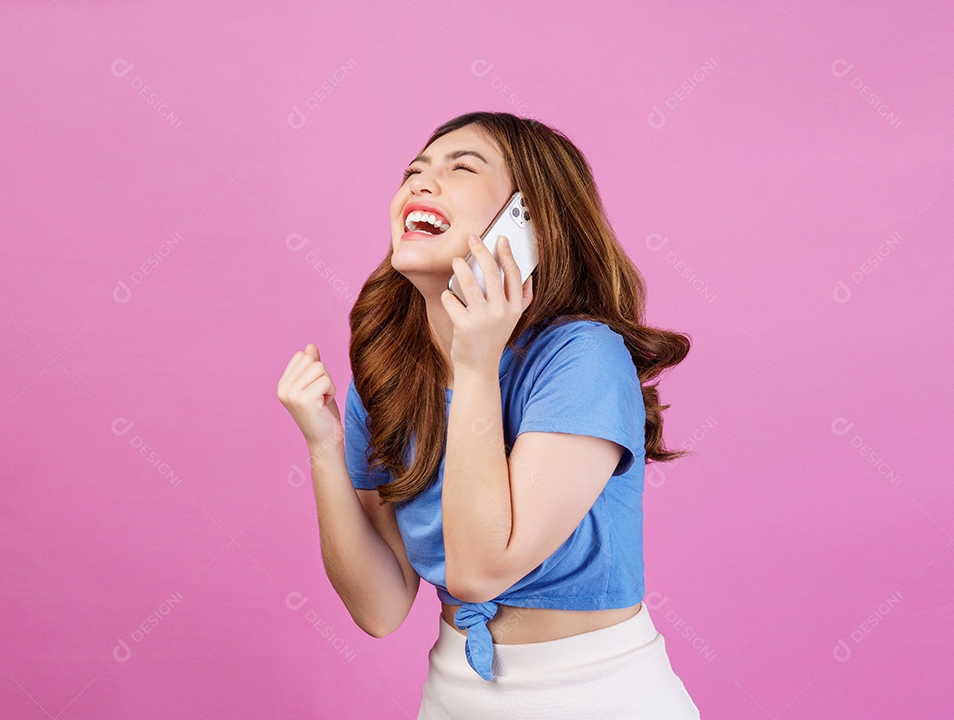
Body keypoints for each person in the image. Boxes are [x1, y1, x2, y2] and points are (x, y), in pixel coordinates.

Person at [278, 111, 700, 718]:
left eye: (460, 167)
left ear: (529, 222)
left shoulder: (582, 357)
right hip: (454, 694)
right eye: (414, 170)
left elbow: (480, 573)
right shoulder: (389, 370)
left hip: (600, 694)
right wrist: (323, 445)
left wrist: (476, 368)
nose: (421, 182)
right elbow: (380, 607)